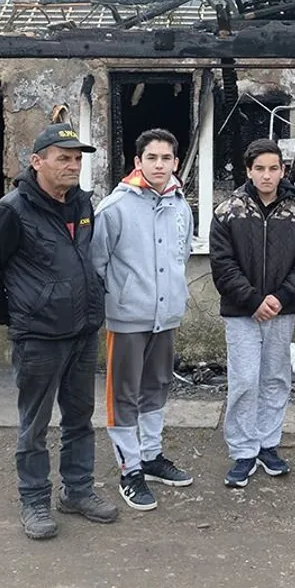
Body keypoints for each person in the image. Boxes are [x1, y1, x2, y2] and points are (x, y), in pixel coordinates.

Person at [0, 124, 118, 540]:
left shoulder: (81, 204)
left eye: (77, 158)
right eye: (63, 157)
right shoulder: (12, 210)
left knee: (80, 419)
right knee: (34, 425)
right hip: (39, 339)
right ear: (37, 162)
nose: (73, 165)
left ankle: (78, 491)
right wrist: (15, 315)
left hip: (83, 331)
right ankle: (34, 501)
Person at [90, 128, 194, 512]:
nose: (159, 165)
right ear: (138, 162)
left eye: (166, 159)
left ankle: (151, 457)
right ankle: (129, 469)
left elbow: (181, 255)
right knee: (124, 396)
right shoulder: (114, 209)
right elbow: (96, 264)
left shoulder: (181, 205)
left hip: (165, 317)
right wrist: (122, 298)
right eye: (152, 158)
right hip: (127, 319)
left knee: (157, 387)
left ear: (176, 163)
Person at [210, 139, 295, 488]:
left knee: (275, 378)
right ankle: (243, 451)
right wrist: (254, 300)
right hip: (242, 312)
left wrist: (281, 296)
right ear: (248, 171)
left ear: (283, 170)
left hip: (281, 311)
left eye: (273, 168)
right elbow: (222, 265)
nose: (267, 175)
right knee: (244, 380)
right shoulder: (228, 211)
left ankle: (268, 444)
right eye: (260, 169)